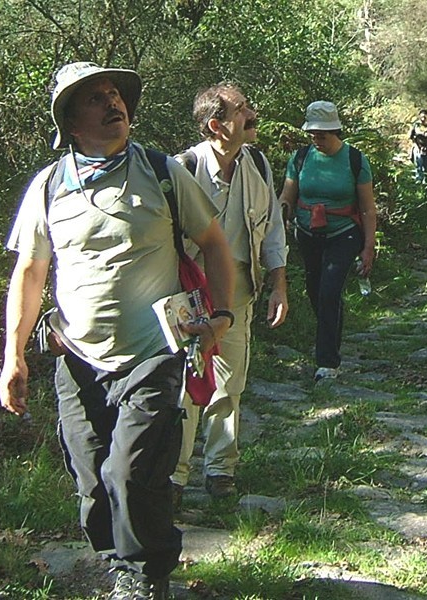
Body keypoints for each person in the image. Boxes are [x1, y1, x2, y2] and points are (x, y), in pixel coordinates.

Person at [0, 62, 235, 600]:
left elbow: (215, 244)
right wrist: (13, 356)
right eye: (95, 98)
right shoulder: (49, 186)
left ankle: (147, 575)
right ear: (71, 123)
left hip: (154, 351)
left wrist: (220, 316)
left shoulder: (161, 170)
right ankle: (118, 565)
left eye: (115, 94)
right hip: (77, 357)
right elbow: (30, 272)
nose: (112, 104)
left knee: (132, 470)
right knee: (91, 479)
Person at [170, 83, 288, 504]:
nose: (252, 114)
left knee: (229, 383)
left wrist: (278, 284)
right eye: (243, 109)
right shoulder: (181, 169)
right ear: (217, 125)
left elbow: (272, 227)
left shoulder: (256, 162)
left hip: (238, 292)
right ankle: (174, 477)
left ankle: (221, 470)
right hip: (187, 295)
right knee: (184, 384)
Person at [279, 101, 376, 382]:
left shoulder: (355, 160)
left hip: (343, 233)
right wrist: (280, 220)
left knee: (329, 291)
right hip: (308, 232)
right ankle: (330, 337)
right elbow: (287, 196)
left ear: (335, 131)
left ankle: (327, 362)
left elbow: (368, 208)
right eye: (313, 135)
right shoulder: (299, 159)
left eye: (322, 135)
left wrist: (368, 248)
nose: (317, 140)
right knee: (315, 291)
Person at [408, 109, 427, 183]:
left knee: (426, 166)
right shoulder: (416, 125)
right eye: (421, 117)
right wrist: (414, 145)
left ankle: (425, 182)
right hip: (418, 148)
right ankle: (418, 182)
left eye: (424, 117)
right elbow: (411, 137)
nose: (423, 118)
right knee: (419, 165)